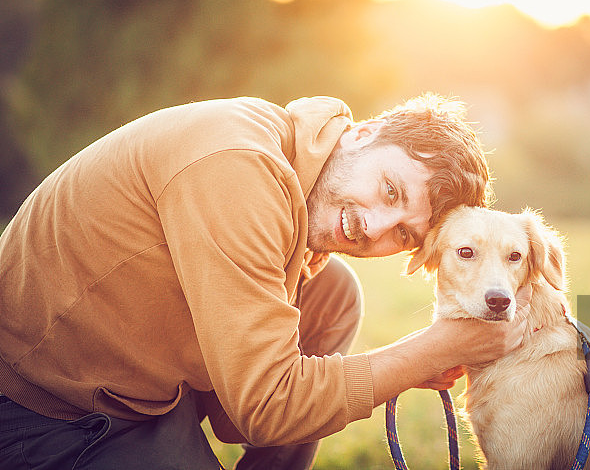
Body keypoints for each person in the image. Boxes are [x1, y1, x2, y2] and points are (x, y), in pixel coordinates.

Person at [0, 94, 530, 469]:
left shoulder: (297, 178)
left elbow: (236, 420)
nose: (372, 227)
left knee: (334, 291)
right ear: (362, 134)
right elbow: (262, 411)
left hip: (140, 389)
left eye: (404, 233)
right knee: (290, 376)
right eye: (389, 190)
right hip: (44, 408)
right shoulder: (240, 166)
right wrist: (426, 352)